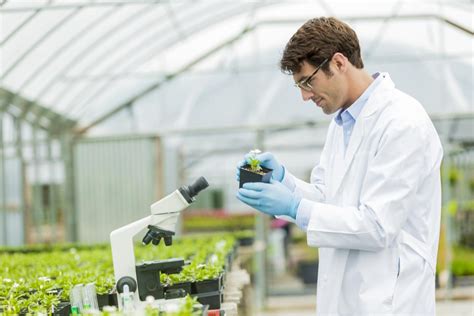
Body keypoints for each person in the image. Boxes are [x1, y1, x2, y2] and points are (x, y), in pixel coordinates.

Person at [236, 17, 443, 315]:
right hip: (349, 298)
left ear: (339, 62)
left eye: (308, 81)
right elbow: (330, 198)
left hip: (391, 300)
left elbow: (377, 225)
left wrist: (295, 207)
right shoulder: (342, 124)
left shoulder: (402, 122)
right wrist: (284, 182)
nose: (305, 96)